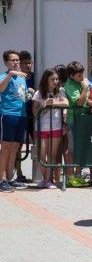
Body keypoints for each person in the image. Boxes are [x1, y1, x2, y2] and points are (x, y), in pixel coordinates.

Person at [32, 69, 69, 189]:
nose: (55, 81)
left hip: (56, 127)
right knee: (41, 156)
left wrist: (53, 104)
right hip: (41, 127)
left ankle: (48, 181)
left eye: (57, 79)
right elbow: (34, 112)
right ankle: (45, 179)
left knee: (52, 155)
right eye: (52, 79)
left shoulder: (61, 91)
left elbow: (67, 103)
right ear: (46, 80)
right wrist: (44, 105)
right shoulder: (38, 93)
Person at [0, 50, 29, 192]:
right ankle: (2, 179)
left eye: (17, 60)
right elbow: (1, 89)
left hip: (21, 115)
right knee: (5, 148)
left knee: (15, 148)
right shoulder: (5, 76)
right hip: (8, 114)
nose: (16, 62)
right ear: (6, 62)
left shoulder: (22, 77)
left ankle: (10, 179)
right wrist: (11, 74)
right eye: (12, 60)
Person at [64, 61, 90, 187]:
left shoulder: (81, 81)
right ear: (71, 75)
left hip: (85, 120)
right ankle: (70, 176)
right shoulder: (70, 85)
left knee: (82, 149)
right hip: (74, 121)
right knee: (72, 149)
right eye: (79, 75)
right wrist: (85, 87)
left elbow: (88, 100)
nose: (82, 77)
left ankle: (78, 175)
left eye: (82, 74)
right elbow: (79, 102)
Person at [14, 51, 35, 183]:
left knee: (37, 144)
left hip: (33, 115)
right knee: (17, 144)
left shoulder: (36, 76)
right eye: (25, 63)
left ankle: (39, 172)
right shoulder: (16, 78)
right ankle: (19, 173)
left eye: (30, 62)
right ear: (20, 64)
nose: (28, 65)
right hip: (19, 114)